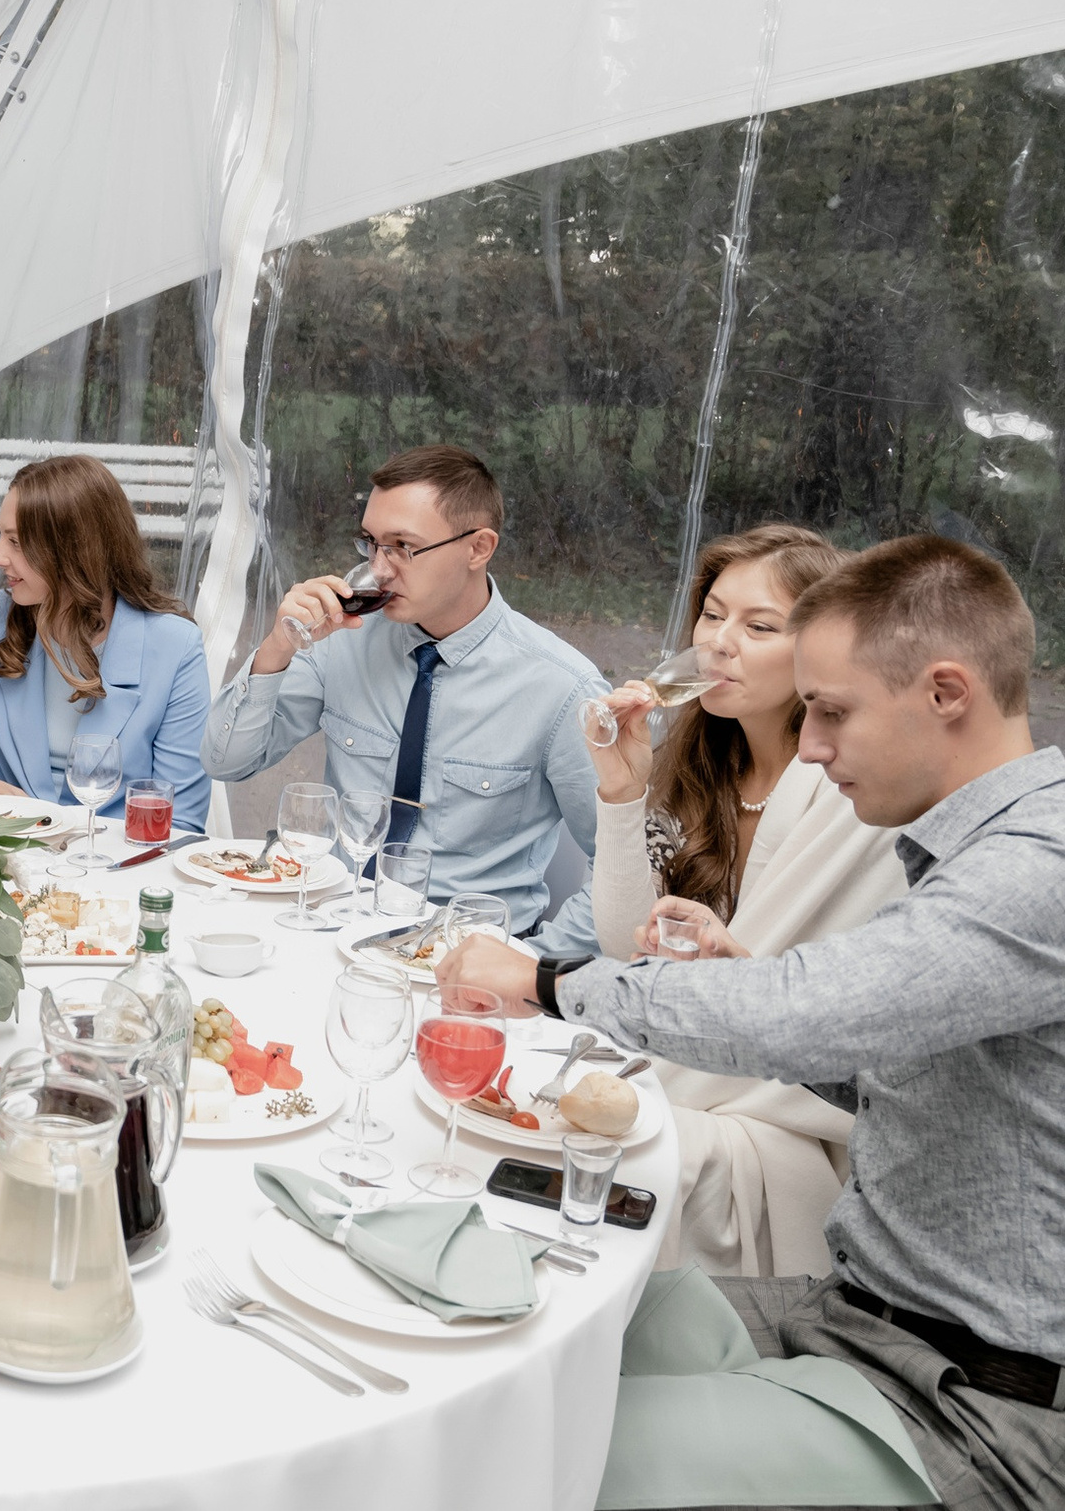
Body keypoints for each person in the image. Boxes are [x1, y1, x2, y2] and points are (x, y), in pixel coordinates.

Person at [440, 535, 1065, 1511]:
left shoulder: (1037, 866)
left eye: (831, 711)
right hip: (850, 1317)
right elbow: (887, 1063)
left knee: (535, 1459)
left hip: (976, 1405)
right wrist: (748, 970)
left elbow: (831, 1007)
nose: (810, 744)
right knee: (516, 1344)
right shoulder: (973, 845)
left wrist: (543, 978)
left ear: (946, 692)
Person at [585, 525, 908, 1280]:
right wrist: (621, 791)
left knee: (596, 1150)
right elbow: (626, 947)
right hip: (686, 1067)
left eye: (759, 626)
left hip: (778, 1119)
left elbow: (771, 1005)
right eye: (712, 614)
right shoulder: (705, 765)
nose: (719, 644)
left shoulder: (845, 793)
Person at [202, 444, 604, 953]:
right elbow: (225, 761)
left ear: (478, 548)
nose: (379, 569)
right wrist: (278, 647)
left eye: (403, 547)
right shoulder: (341, 638)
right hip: (333, 931)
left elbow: (621, 869)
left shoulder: (563, 688)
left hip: (469, 960)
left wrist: (537, 967)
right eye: (370, 543)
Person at [0, 452, 212, 832]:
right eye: (1, 536)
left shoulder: (175, 647)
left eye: (16, 542)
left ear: (73, 551)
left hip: (115, 874)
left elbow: (179, 823)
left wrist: (55, 830)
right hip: (8, 860)